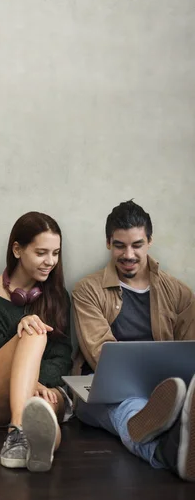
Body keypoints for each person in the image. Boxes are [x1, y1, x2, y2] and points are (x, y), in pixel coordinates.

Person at [73, 200, 195, 481]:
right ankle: (166, 445)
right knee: (128, 406)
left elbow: (190, 351)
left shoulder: (179, 293)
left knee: (166, 401)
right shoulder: (88, 290)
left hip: (169, 391)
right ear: (108, 243)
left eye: (137, 245)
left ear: (149, 241)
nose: (128, 254)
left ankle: (169, 438)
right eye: (119, 245)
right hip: (100, 393)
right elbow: (99, 354)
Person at [0, 212, 72, 472]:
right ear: (17, 249)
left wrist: (38, 383)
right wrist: (30, 378)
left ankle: (39, 446)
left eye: (55, 253)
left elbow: (63, 356)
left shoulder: (58, 296)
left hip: (43, 388)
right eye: (41, 253)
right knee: (34, 330)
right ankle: (18, 429)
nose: (50, 262)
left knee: (43, 407)